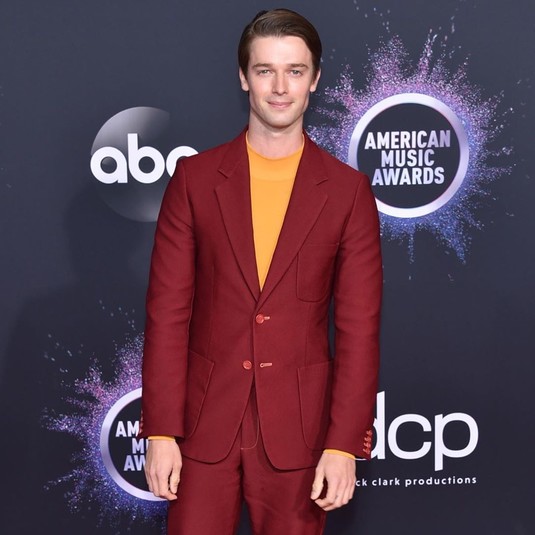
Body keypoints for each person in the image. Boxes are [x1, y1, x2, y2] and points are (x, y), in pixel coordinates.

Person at [139, 8, 382, 535]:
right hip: (202, 427)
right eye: (265, 70)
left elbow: (359, 330)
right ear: (243, 77)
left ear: (314, 79)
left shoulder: (348, 192)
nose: (280, 87)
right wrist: (160, 431)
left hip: (301, 432)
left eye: (295, 71)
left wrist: (344, 444)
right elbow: (167, 314)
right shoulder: (194, 180)